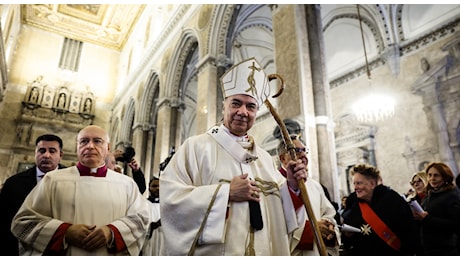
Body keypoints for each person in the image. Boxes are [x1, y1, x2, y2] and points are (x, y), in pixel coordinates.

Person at [159, 57, 308, 255]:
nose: (243, 112)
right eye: (236, 103)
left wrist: (292, 186)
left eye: (251, 106)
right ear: (224, 107)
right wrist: (226, 192)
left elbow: (283, 217)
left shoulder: (264, 159)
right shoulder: (195, 148)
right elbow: (171, 199)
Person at [11, 125, 151, 256]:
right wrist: (64, 232)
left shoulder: (126, 184)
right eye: (84, 141)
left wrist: (112, 232)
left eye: (97, 141)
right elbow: (23, 222)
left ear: (108, 148)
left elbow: (141, 218)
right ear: (77, 147)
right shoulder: (52, 180)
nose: (90, 146)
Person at [0, 134, 66, 256]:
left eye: (52, 151)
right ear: (35, 153)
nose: (46, 155)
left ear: (60, 155)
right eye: (42, 150)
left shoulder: (73, 182)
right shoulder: (13, 184)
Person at [277, 134, 340, 256]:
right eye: (296, 151)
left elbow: (328, 213)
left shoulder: (315, 185)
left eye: (304, 150)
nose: (303, 155)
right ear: (283, 158)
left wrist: (329, 229)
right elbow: (276, 226)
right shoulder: (275, 185)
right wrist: (313, 230)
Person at [341, 163, 418, 255]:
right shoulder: (353, 203)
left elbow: (409, 231)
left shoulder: (392, 200)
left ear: (372, 184)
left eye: (359, 183)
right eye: (354, 183)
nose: (355, 187)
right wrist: (347, 236)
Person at [413, 162, 460, 255]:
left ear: (445, 177)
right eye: (429, 175)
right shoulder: (430, 194)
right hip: (429, 248)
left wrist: (427, 219)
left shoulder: (452, 195)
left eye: (436, 175)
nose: (432, 179)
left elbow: (455, 224)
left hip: (446, 249)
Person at [141, 177, 163, 256]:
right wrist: (151, 225)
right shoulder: (143, 204)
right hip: (148, 240)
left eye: (160, 186)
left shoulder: (168, 205)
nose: (157, 188)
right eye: (154, 186)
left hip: (163, 240)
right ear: (149, 188)